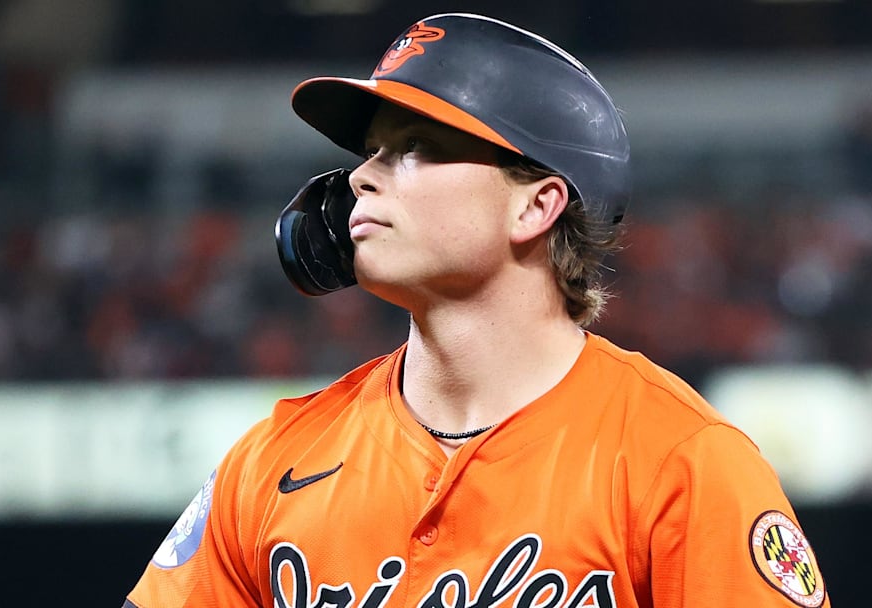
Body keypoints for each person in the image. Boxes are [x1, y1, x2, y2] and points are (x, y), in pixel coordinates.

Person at [124, 13, 829, 608]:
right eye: (371, 151)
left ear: (536, 204)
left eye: (417, 149)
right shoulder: (271, 460)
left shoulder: (679, 462)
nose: (362, 176)